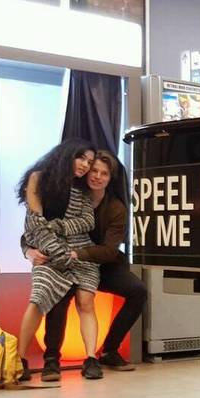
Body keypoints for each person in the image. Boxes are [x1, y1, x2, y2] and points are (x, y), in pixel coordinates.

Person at [26, 150, 147, 381]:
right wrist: (28, 251)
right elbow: (37, 228)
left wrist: (77, 253)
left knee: (139, 291)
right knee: (59, 294)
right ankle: (52, 360)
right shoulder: (64, 194)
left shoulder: (116, 208)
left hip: (103, 262)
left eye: (104, 173)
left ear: (110, 179)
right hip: (65, 261)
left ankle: (109, 351)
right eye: (94, 171)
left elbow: (111, 251)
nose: (98, 177)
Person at [15, 139, 103, 382]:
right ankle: (19, 360)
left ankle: (91, 358)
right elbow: (35, 226)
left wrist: (59, 226)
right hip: (51, 255)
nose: (85, 165)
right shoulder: (39, 179)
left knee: (86, 301)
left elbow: (88, 222)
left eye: (89, 161)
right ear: (67, 155)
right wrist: (55, 253)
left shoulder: (83, 189)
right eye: (81, 158)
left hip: (82, 253)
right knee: (39, 296)